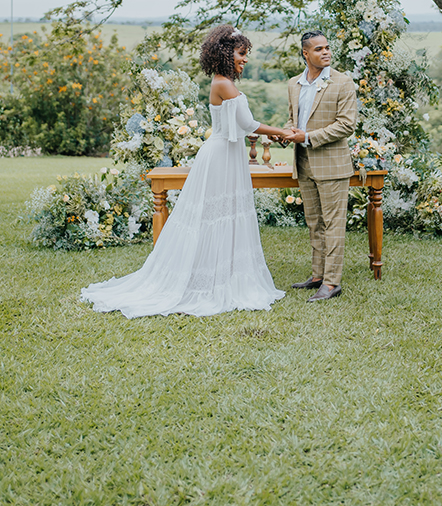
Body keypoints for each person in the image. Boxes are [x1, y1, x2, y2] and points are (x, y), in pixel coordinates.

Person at [81, 25, 288, 318]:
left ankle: (223, 275)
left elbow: (243, 126)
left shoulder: (224, 81)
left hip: (229, 155)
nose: (245, 60)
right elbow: (248, 124)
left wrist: (279, 133)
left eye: (246, 55)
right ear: (227, 54)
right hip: (220, 157)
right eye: (242, 54)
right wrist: (283, 132)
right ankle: (208, 279)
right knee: (213, 216)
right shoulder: (224, 84)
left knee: (225, 214)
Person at [281, 31, 357, 302]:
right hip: (303, 163)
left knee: (333, 224)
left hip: (332, 165)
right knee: (314, 223)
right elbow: (294, 119)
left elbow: (347, 124)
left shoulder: (343, 82)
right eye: (318, 49)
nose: (325, 52)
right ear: (305, 53)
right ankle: (317, 275)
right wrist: (286, 133)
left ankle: (332, 282)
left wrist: (308, 137)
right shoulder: (294, 84)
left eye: (327, 48)